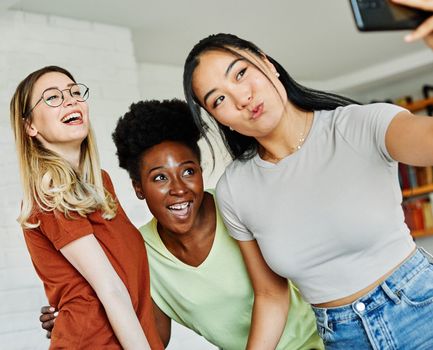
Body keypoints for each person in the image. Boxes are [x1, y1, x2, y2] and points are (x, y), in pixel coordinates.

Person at [183, 33, 433, 349]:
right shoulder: (234, 190)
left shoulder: (362, 124)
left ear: (266, 62)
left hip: (421, 309)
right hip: (342, 337)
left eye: (241, 73)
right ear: (219, 120)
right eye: (218, 99)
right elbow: (271, 295)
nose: (241, 98)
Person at [40, 99, 324, 349]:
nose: (178, 189)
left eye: (188, 171)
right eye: (160, 177)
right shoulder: (142, 251)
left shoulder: (237, 207)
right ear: (139, 188)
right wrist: (76, 319)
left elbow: (275, 293)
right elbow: (152, 337)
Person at [10, 66, 163, 349]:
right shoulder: (49, 192)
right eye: (53, 97)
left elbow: (125, 273)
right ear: (30, 126)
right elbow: (111, 289)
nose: (70, 100)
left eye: (75, 92)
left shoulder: (100, 183)